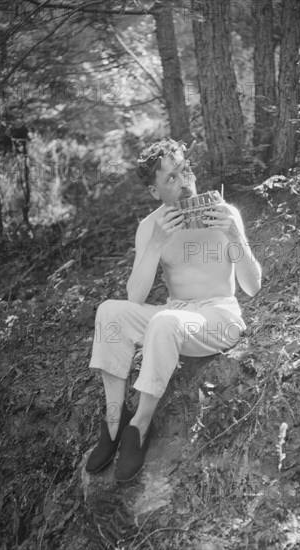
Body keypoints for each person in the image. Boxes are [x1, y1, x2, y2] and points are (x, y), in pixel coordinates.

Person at [85, 138, 261, 481]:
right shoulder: (150, 227)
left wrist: (234, 236)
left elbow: (253, 287)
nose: (184, 182)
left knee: (165, 321)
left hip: (220, 316)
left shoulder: (225, 214)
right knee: (110, 311)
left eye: (186, 171)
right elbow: (134, 297)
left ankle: (140, 423)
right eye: (171, 179)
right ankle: (112, 420)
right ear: (154, 191)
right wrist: (155, 243)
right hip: (177, 311)